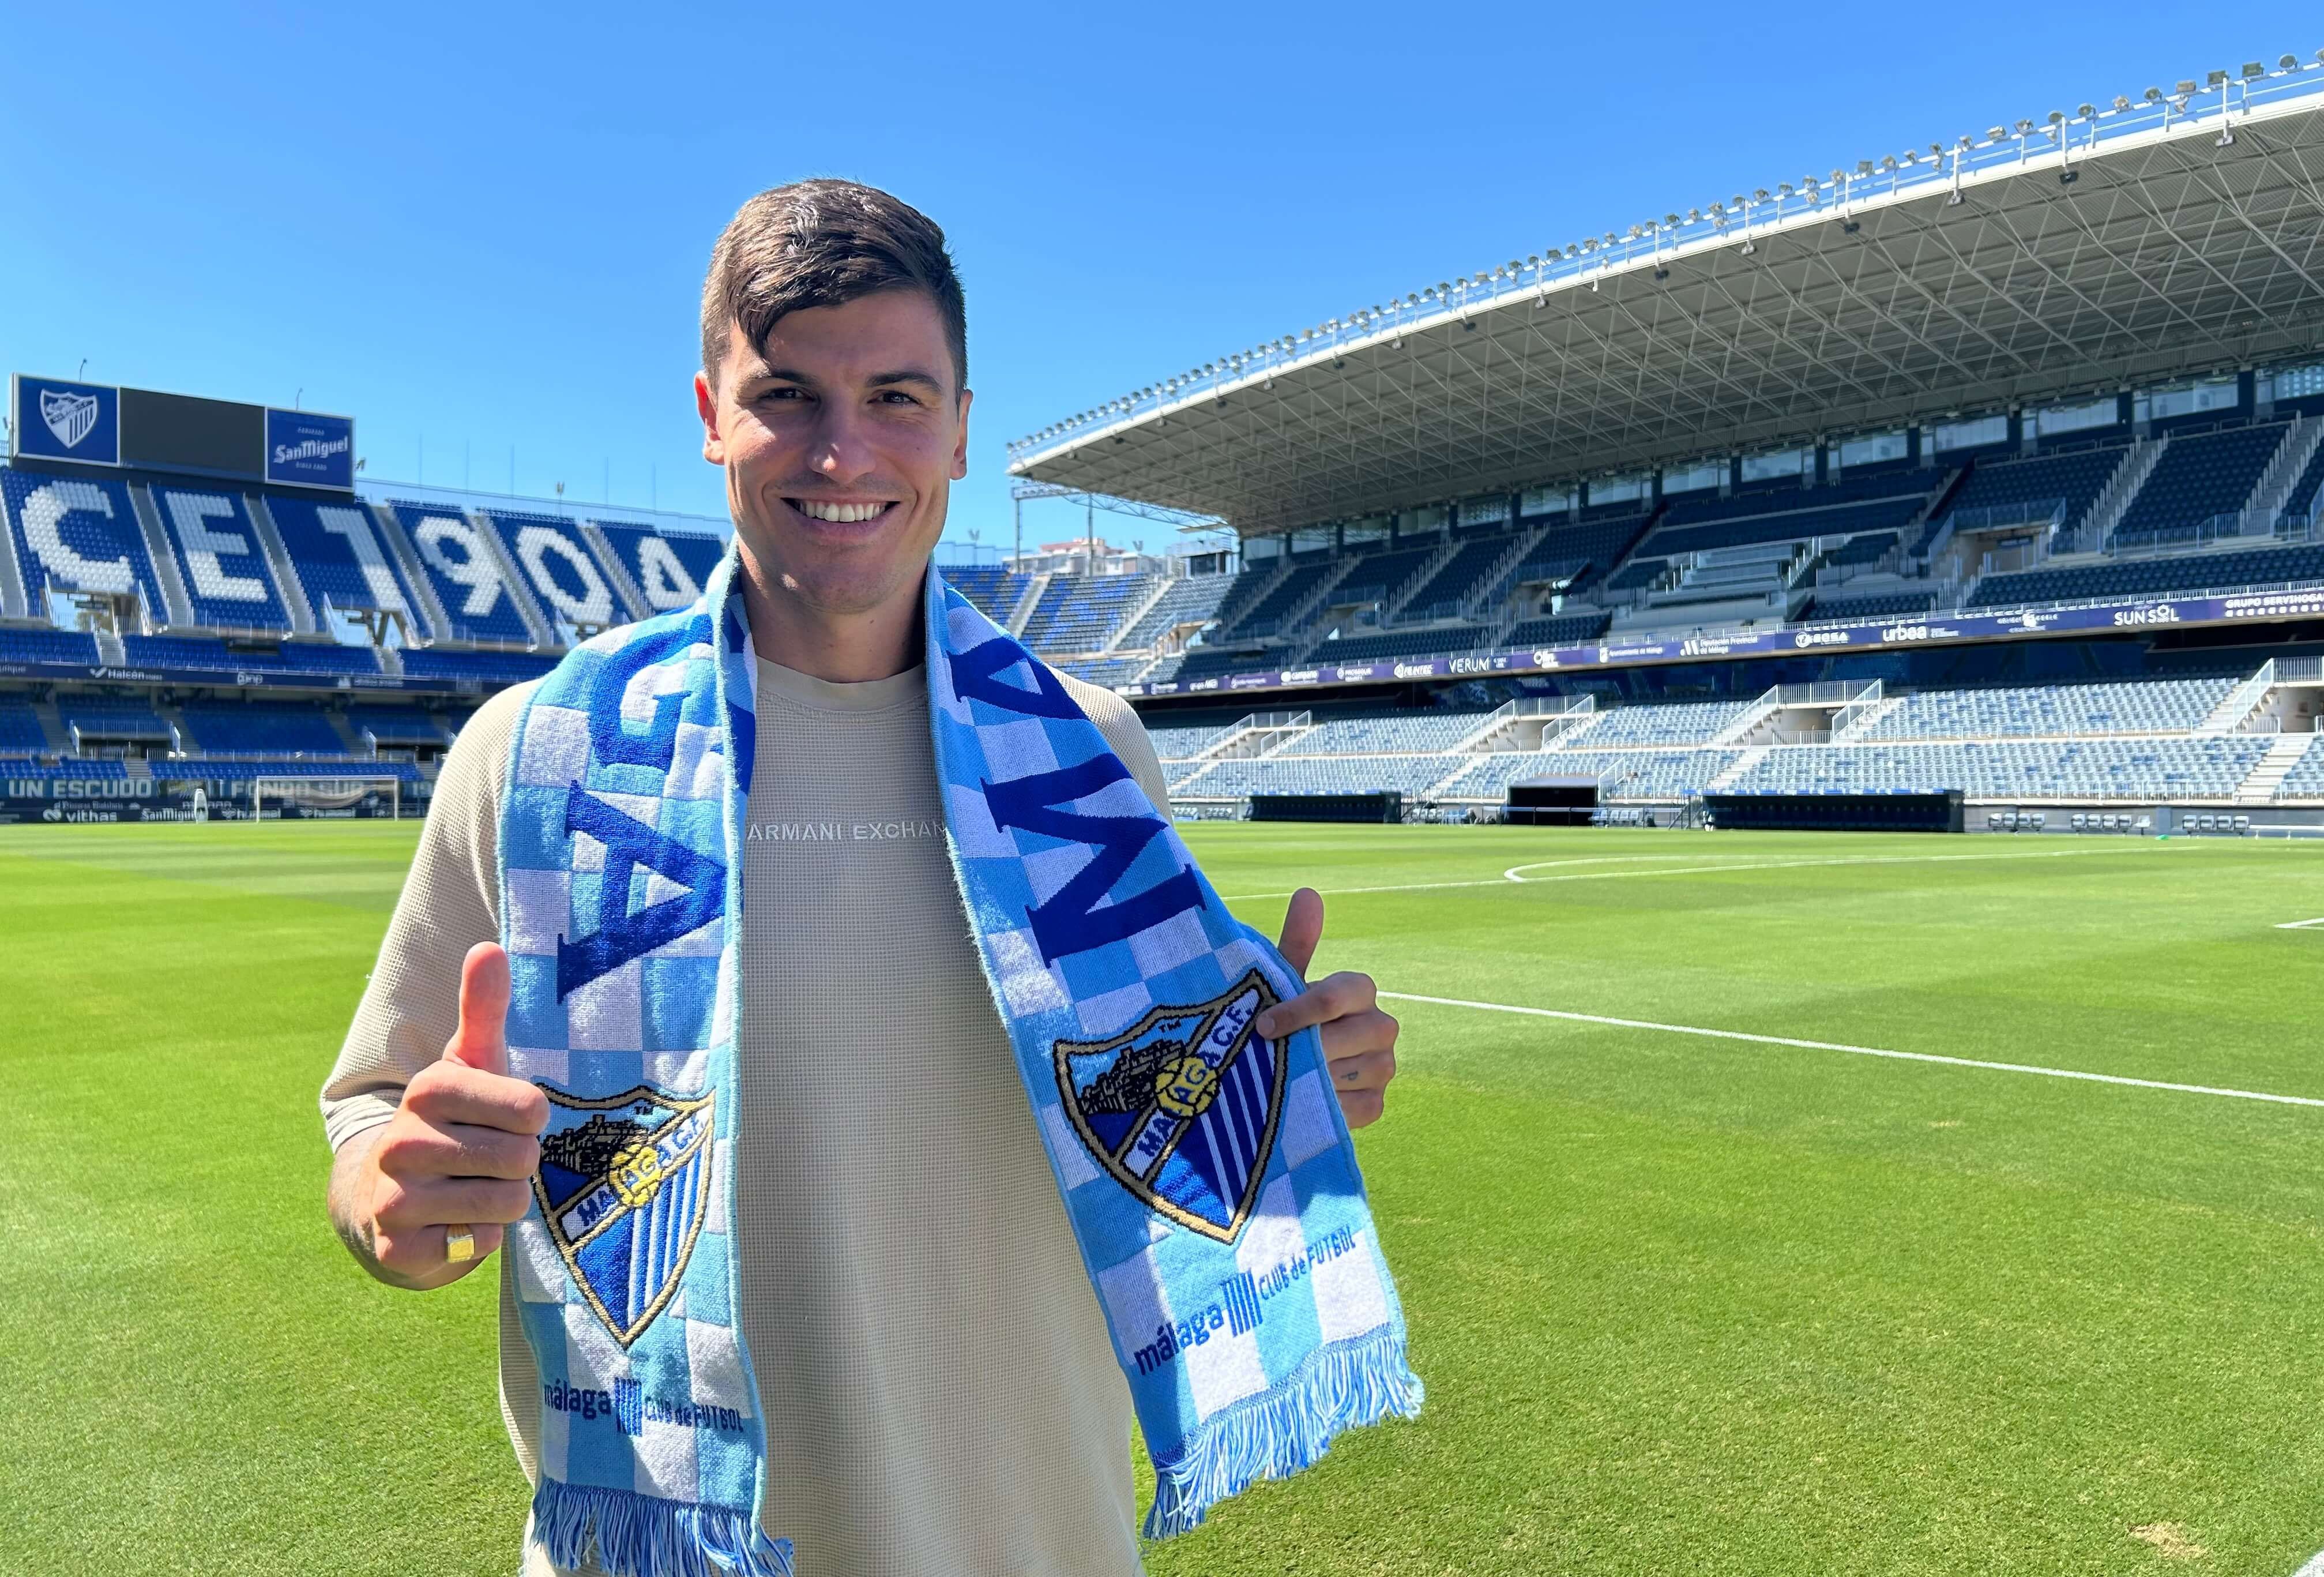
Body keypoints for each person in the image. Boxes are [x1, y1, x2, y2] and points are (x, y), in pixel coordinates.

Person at [320, 178, 1401, 1576]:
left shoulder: (1083, 750)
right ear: (710, 413)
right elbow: (371, 1116)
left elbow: (1142, 1103)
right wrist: (393, 1199)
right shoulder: (536, 755)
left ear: (959, 426)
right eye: (786, 395)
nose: (842, 452)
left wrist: (1284, 1078)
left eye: (896, 395)